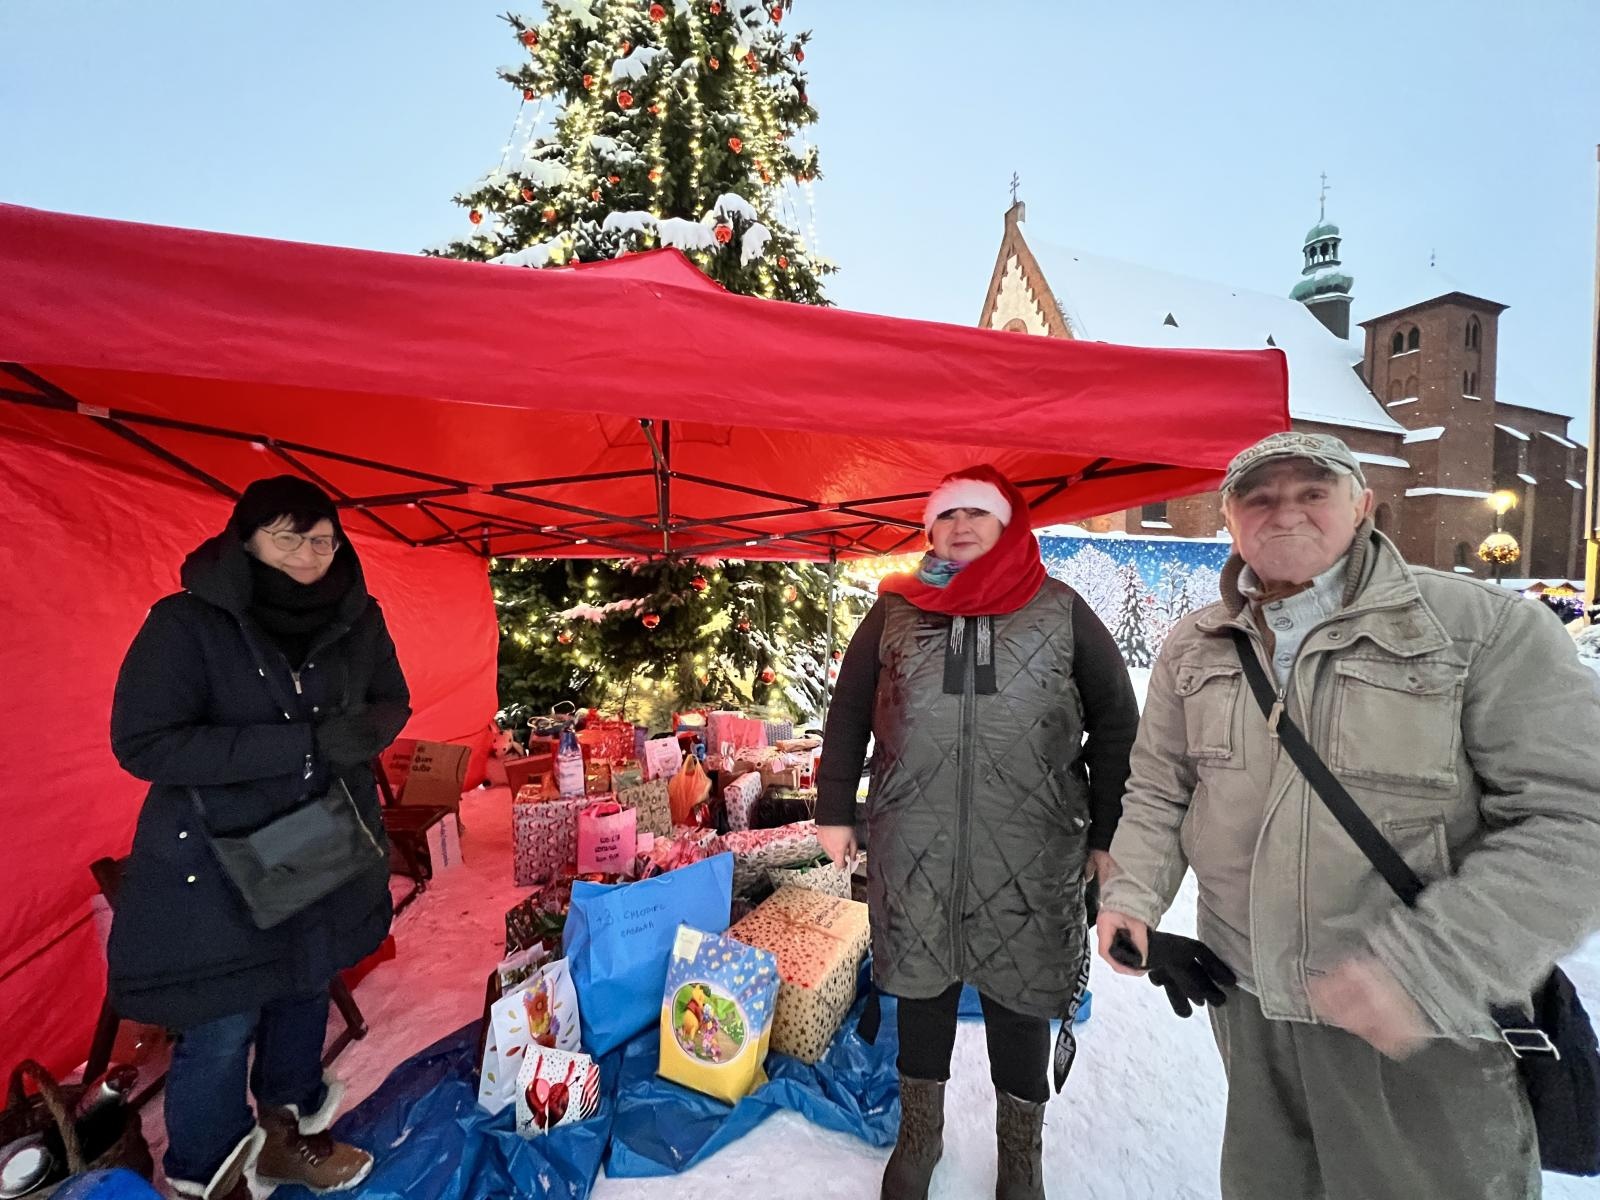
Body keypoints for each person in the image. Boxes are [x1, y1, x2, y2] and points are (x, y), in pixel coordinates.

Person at [1097, 431, 1600, 1200]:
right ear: (1229, 520)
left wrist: (1422, 971)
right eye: (1258, 497)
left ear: (1363, 505)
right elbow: (1162, 784)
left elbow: (1576, 822)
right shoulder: (1194, 647)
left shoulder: (1478, 629)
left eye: (1312, 491)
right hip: (1251, 1004)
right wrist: (1132, 895)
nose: (1284, 512)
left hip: (1428, 1027)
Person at [816, 465, 1139, 1200]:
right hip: (914, 838)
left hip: (1034, 843)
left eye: (977, 514)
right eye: (945, 515)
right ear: (928, 530)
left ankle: (1020, 1154)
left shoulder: (1059, 610)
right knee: (921, 985)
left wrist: (1108, 831)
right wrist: (836, 808)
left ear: (1008, 524)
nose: (960, 526)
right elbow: (848, 714)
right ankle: (918, 1137)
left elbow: (1118, 721)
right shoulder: (895, 612)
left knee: (1020, 991)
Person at [109, 476, 412, 1200]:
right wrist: (299, 748)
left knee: (304, 985)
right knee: (222, 1020)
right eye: (289, 535)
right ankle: (208, 1175)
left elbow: (391, 700)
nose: (311, 552)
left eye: (323, 537)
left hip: (319, 840)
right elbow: (144, 743)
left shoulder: (357, 616)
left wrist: (357, 734)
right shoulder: (186, 623)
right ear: (244, 539)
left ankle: (285, 1139)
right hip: (215, 857)